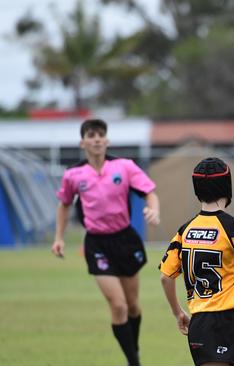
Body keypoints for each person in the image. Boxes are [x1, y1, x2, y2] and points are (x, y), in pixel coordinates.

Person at [51, 119, 160, 366]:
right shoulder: (73, 175)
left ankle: (135, 350)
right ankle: (133, 361)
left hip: (125, 240)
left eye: (101, 134)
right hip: (97, 244)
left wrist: (153, 210)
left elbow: (150, 193)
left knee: (132, 306)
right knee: (118, 305)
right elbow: (64, 205)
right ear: (83, 142)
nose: (97, 139)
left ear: (107, 140)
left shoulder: (124, 167)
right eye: (91, 135)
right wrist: (58, 238)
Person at [159, 157, 234, 366]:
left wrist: (178, 313)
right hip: (222, 322)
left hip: (205, 322)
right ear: (226, 188)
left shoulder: (185, 231)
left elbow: (166, 277)